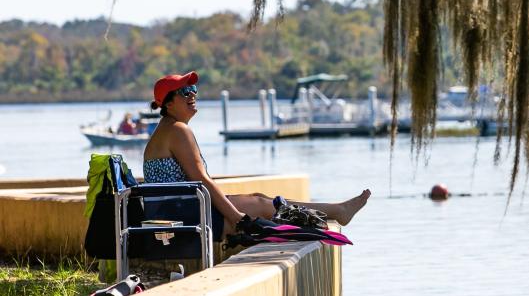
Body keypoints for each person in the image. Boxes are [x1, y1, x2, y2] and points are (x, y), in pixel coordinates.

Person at [142, 71, 370, 240]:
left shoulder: (165, 131)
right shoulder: (177, 130)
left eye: (193, 90)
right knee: (261, 205)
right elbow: (201, 179)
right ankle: (336, 211)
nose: (192, 94)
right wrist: (236, 218)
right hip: (185, 214)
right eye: (184, 91)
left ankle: (336, 210)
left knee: (258, 197)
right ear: (168, 103)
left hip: (178, 209)